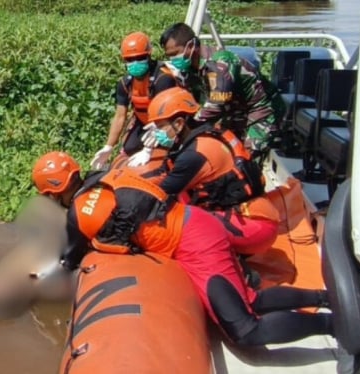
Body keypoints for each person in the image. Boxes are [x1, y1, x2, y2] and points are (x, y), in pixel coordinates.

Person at [31, 151, 333, 348]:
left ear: (52, 193)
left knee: (244, 330)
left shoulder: (77, 215)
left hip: (195, 245)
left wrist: (37, 284)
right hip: (197, 223)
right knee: (249, 298)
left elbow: (68, 261)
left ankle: (332, 323)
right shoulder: (110, 176)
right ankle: (325, 297)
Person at [142, 87, 279, 257]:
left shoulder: (194, 155)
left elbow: (160, 194)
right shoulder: (208, 131)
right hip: (256, 213)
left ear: (178, 124)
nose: (156, 132)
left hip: (254, 225)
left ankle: (237, 271)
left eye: (159, 127)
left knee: (178, 225)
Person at [158, 23, 285, 154]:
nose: (173, 60)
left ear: (191, 46)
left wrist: (184, 126)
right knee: (222, 150)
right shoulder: (190, 69)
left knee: (246, 158)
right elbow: (191, 100)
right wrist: (166, 123)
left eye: (175, 54)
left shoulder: (220, 63)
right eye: (169, 56)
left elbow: (218, 102)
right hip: (235, 112)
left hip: (262, 110)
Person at [90, 31, 178, 170]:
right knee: (129, 149)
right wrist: (108, 147)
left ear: (149, 55)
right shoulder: (125, 83)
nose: (135, 62)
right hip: (142, 122)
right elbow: (120, 116)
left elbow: (167, 115)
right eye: (130, 60)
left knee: (166, 153)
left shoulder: (163, 78)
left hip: (166, 122)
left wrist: (148, 149)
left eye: (140, 57)